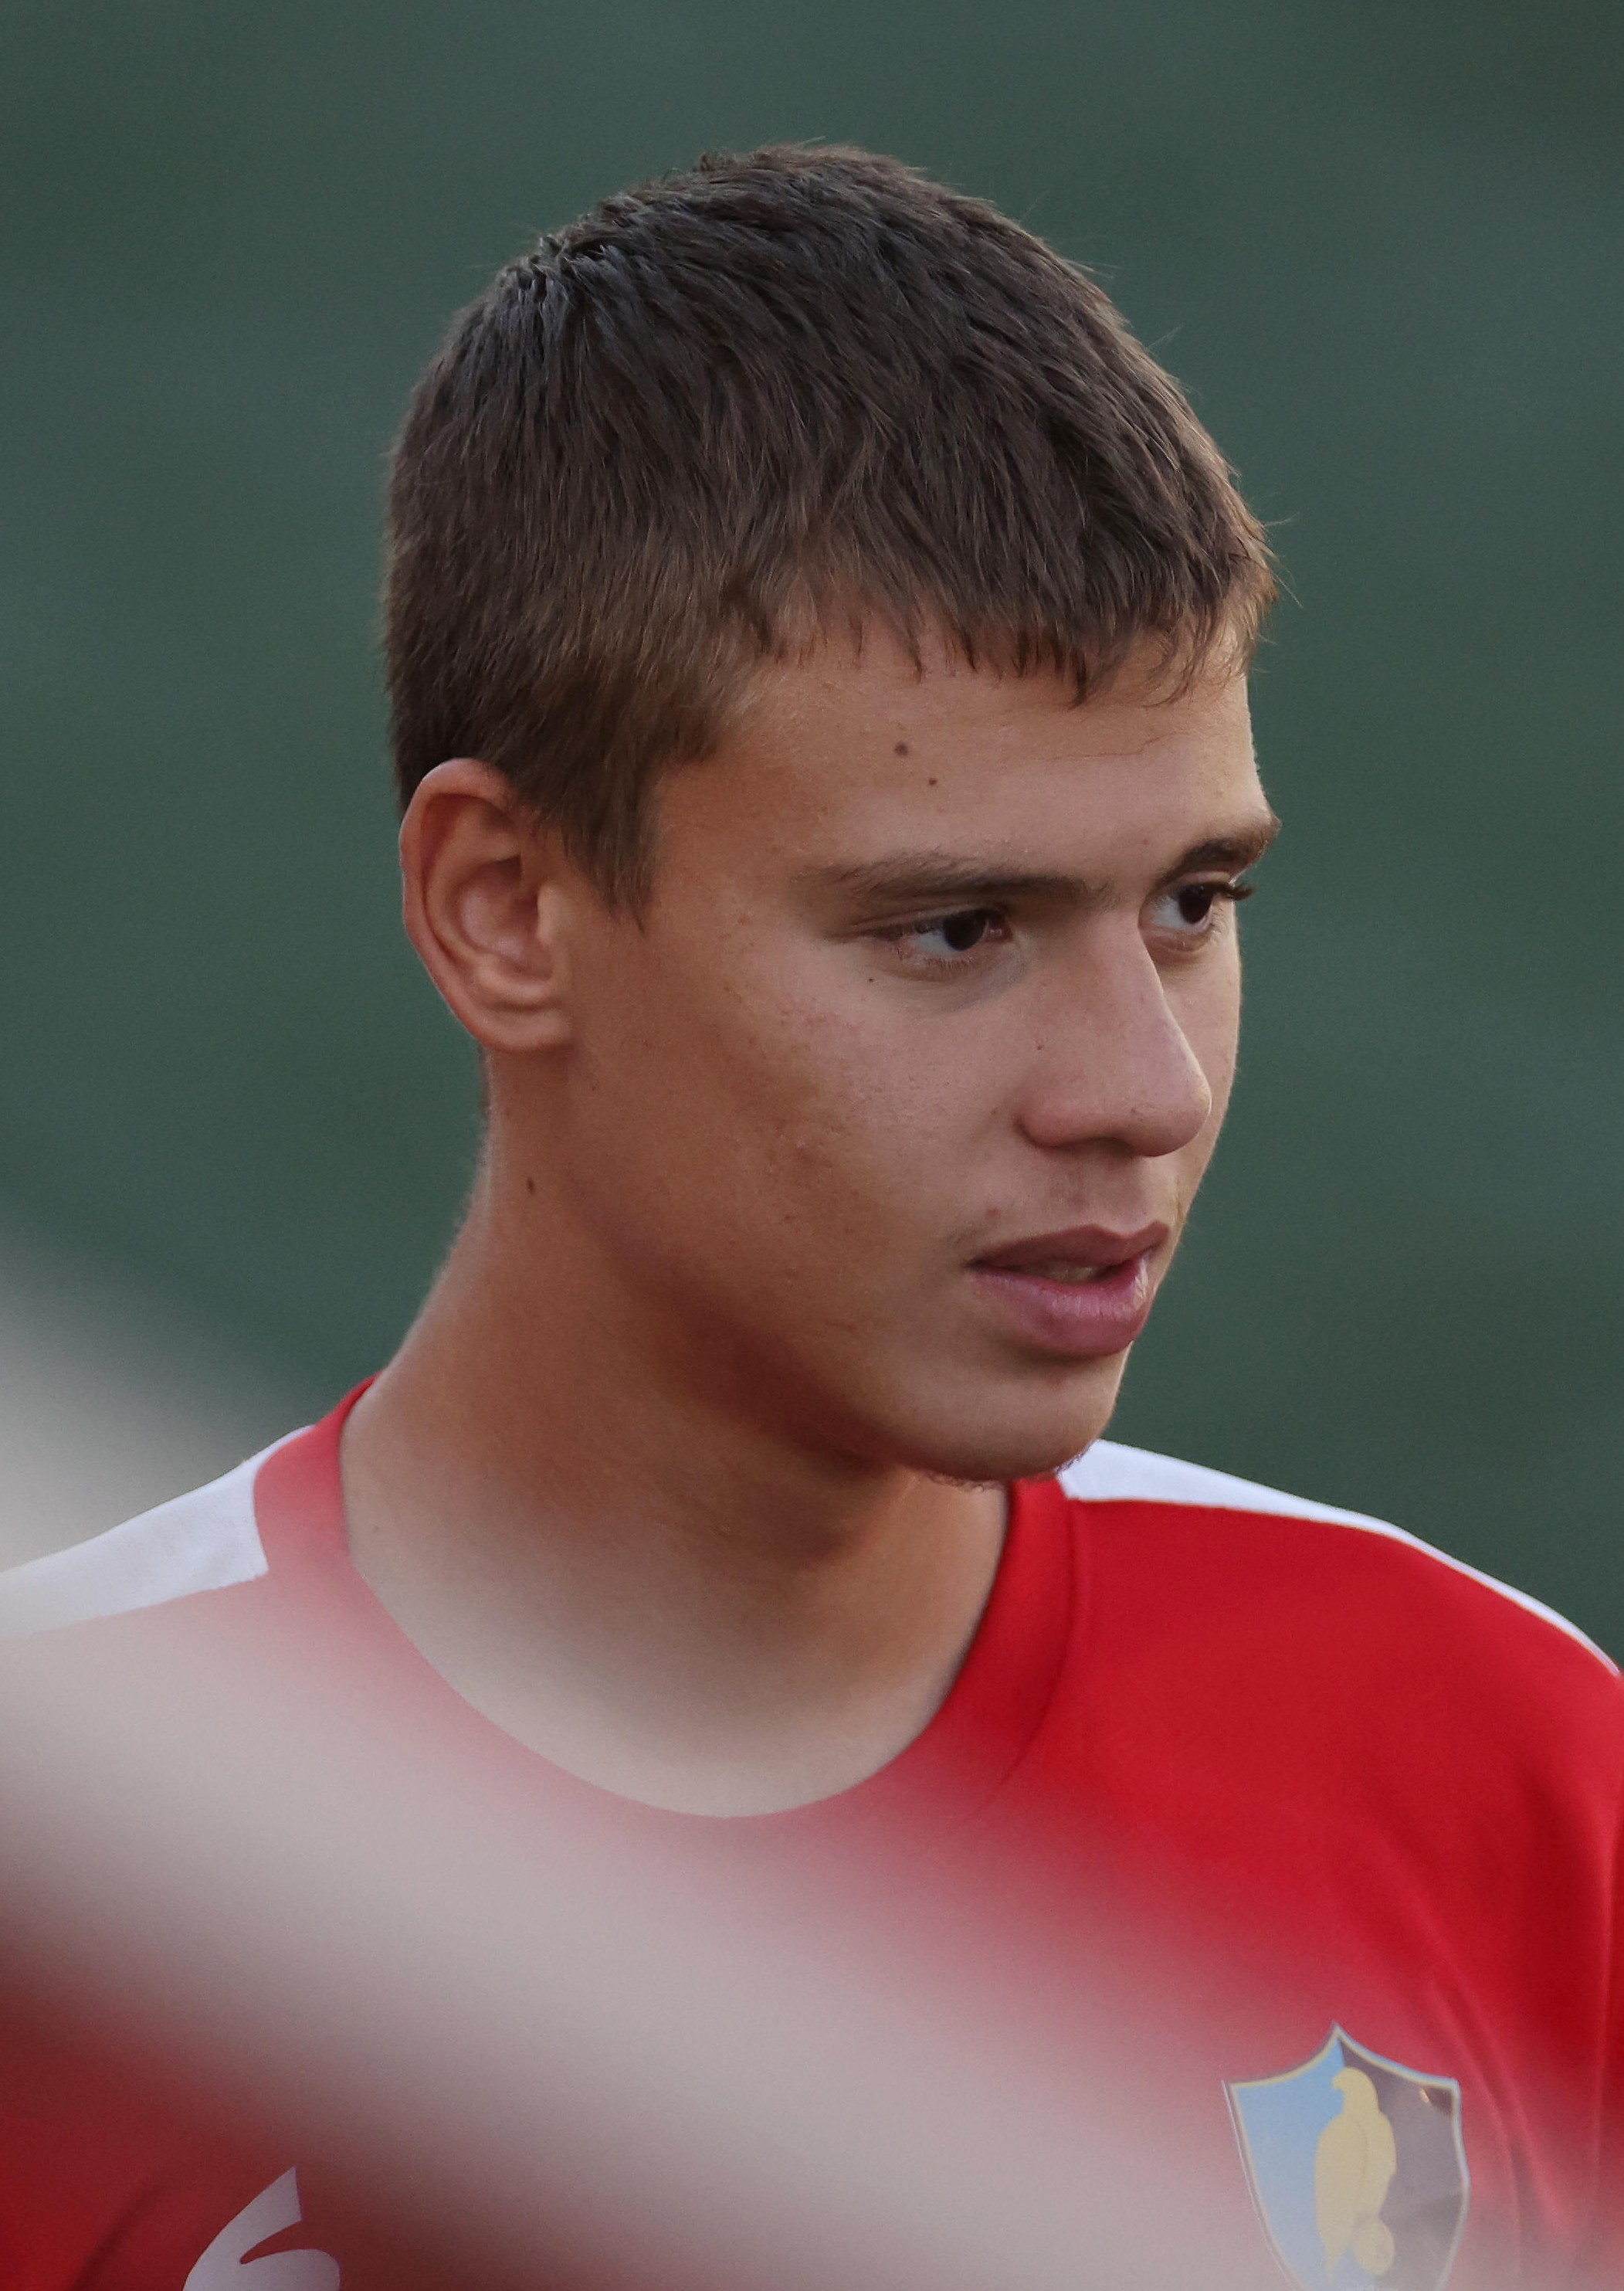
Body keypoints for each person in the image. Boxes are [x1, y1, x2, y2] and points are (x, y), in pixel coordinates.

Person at [1, 145, 1618, 2291]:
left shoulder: (1497, 1769)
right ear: (507, 910)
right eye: (955, 928)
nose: (1142, 1088)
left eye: (1193, 903)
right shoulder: (65, 1876)